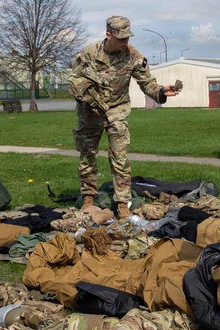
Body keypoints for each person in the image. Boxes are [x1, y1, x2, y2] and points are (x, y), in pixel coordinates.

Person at [69, 16, 180, 217]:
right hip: (90, 115)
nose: (125, 43)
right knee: (87, 156)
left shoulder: (132, 55)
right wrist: (86, 97)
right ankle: (88, 199)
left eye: (127, 38)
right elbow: (73, 82)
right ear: (108, 35)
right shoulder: (89, 54)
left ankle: (122, 204)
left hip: (116, 113)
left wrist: (162, 91)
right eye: (120, 39)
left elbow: (147, 82)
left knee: (120, 159)